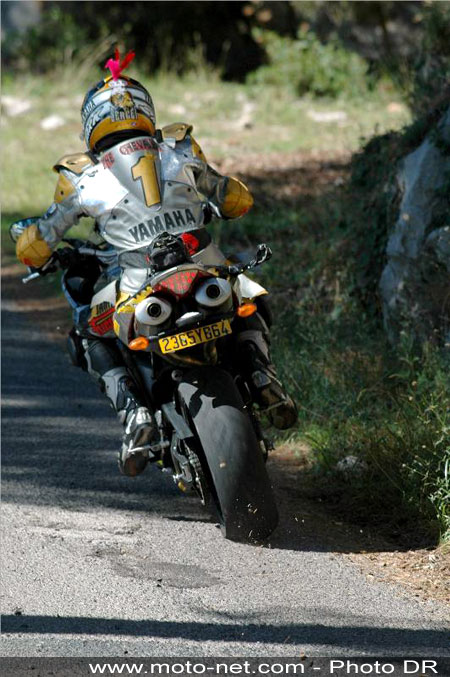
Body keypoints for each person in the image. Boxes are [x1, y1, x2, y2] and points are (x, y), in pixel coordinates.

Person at [13, 49, 297, 476]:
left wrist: (33, 243)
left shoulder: (80, 175)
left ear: (91, 123)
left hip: (136, 279)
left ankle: (135, 415)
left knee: (91, 333)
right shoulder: (180, 147)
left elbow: (37, 245)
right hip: (202, 263)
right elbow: (236, 199)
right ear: (146, 111)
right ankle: (261, 374)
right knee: (248, 297)